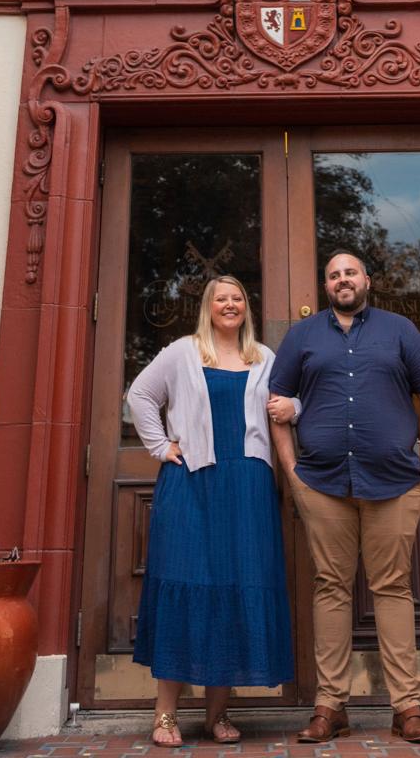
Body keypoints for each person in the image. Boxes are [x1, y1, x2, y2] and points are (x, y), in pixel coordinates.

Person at [266, 250, 420, 745]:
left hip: (395, 481)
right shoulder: (303, 336)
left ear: (367, 279)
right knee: (331, 587)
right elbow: (275, 402)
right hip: (323, 483)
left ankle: (407, 707)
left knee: (392, 587)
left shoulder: (399, 330)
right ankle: (330, 707)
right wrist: (292, 471)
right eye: (333, 275)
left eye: (350, 272)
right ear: (325, 286)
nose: (342, 280)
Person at [128, 274, 296, 747]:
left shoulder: (263, 358)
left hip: (247, 487)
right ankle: (165, 715)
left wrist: (294, 407)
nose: (230, 304)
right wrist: (161, 446)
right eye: (221, 298)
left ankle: (217, 714)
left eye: (237, 297)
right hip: (192, 483)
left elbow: (290, 402)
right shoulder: (183, 352)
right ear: (208, 306)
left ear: (246, 307)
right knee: (185, 585)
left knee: (232, 590)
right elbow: (140, 395)